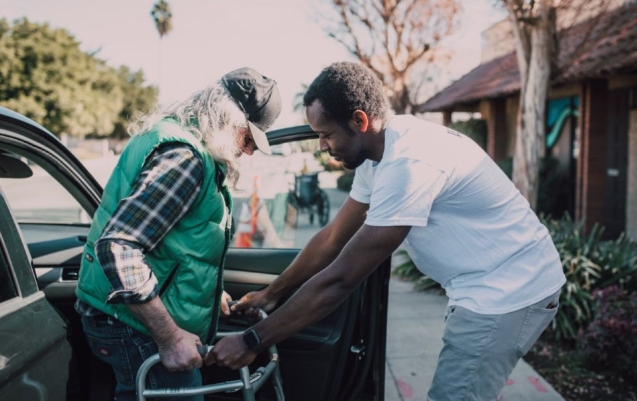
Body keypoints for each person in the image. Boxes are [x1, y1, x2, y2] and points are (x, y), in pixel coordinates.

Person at [207, 61, 566, 401]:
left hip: (509, 292)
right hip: (484, 287)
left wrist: (252, 341)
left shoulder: (409, 161)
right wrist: (272, 293)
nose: (322, 146)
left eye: (326, 134)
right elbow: (333, 238)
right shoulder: (378, 157)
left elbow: (342, 278)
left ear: (359, 120)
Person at [75, 67, 281, 401]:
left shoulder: (177, 140)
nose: (248, 151)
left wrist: (209, 294)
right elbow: (119, 246)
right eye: (248, 138)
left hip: (125, 316)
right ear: (228, 120)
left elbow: (174, 242)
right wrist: (169, 337)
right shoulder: (186, 158)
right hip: (135, 326)